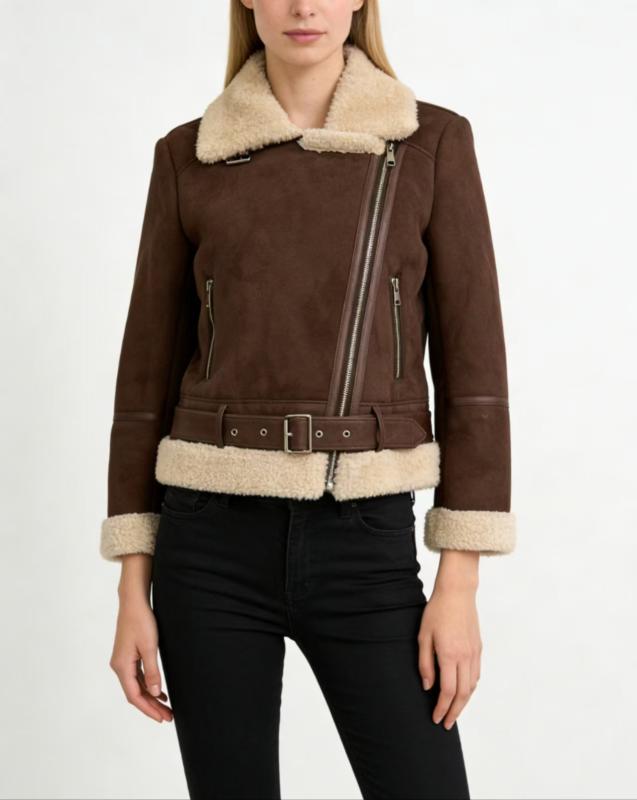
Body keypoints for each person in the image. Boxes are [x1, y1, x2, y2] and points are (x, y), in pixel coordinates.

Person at [101, 1, 516, 797]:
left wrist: (458, 583)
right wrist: (131, 588)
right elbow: (142, 380)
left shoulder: (427, 143)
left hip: (363, 541)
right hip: (207, 545)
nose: (303, 6)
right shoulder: (188, 155)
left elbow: (474, 373)